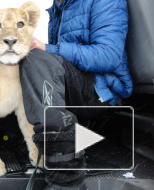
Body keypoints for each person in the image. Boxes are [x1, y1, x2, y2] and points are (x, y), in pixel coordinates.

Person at [19, 0, 132, 189]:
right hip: (79, 82)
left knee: (38, 59)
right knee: (26, 59)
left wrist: (47, 49)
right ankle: (31, 144)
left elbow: (109, 55)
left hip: (100, 90)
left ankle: (67, 181)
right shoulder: (59, 7)